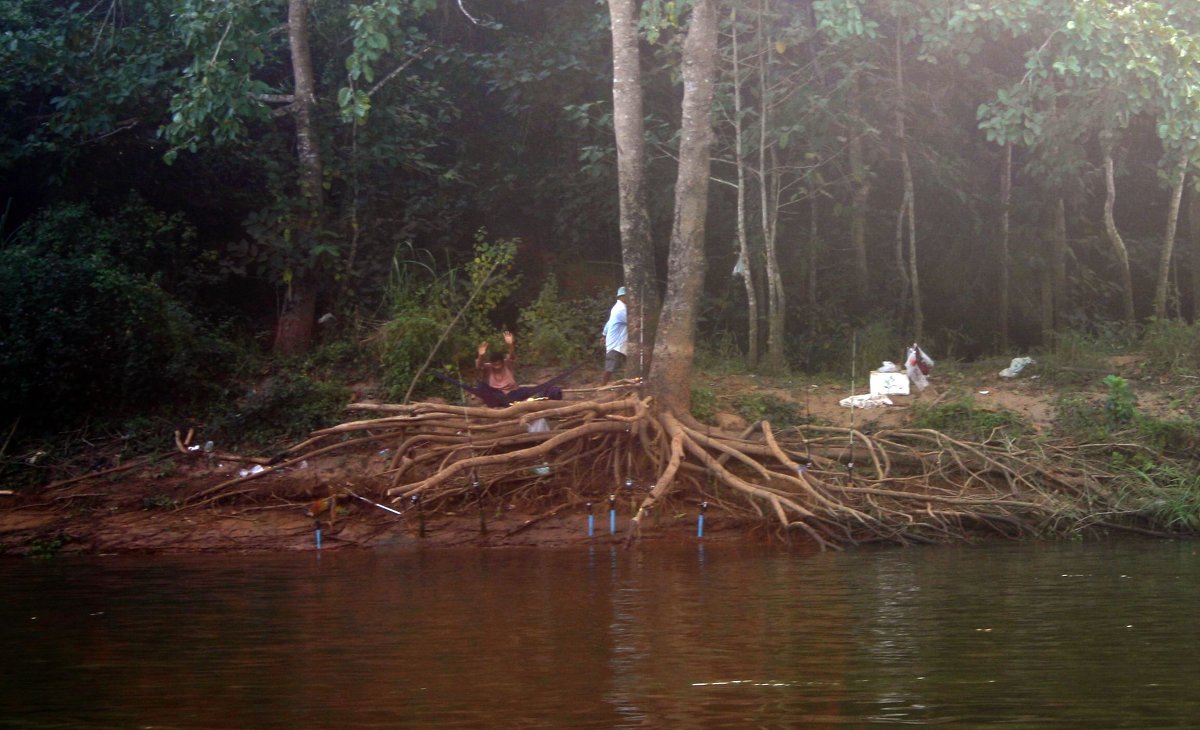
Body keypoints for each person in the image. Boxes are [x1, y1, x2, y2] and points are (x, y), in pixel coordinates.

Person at [472, 330, 566, 406]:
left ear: (502, 362)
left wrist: (510, 345)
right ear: (491, 363)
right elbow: (479, 366)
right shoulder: (489, 367)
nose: (496, 367)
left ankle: (551, 393)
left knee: (531, 390)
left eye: (499, 364)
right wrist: (480, 355)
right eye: (494, 364)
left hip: (513, 394)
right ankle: (497, 403)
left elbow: (512, 356)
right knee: (481, 386)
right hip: (498, 395)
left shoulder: (507, 363)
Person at [601, 286, 628, 385]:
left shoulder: (617, 307)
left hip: (618, 340)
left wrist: (604, 334)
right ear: (622, 297)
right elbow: (632, 321)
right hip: (616, 341)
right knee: (610, 366)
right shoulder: (621, 309)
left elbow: (609, 322)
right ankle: (602, 386)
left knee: (627, 362)